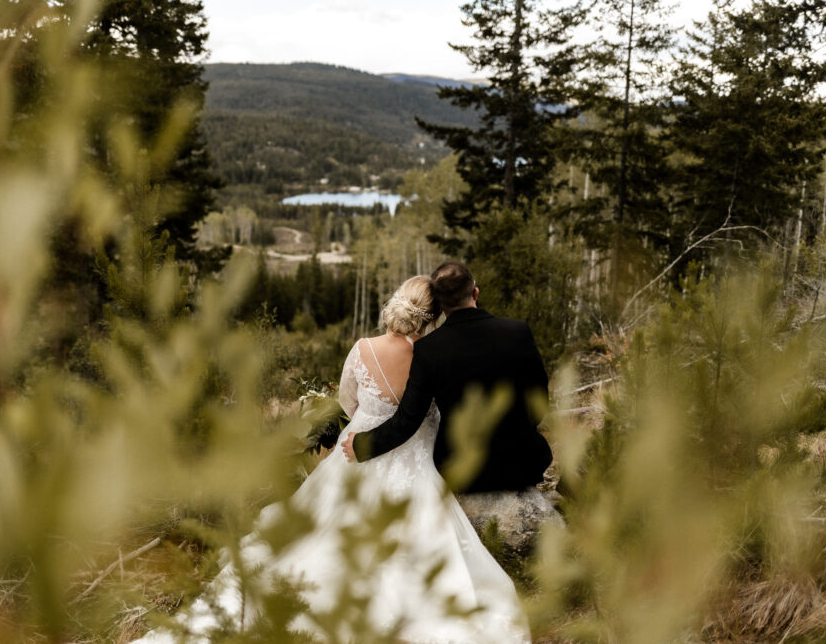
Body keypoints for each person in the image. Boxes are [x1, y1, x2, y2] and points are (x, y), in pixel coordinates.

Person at [132, 275, 530, 643]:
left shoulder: (363, 350)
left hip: (355, 453)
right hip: (417, 463)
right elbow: (438, 410)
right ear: (434, 315)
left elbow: (347, 401)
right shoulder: (434, 354)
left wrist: (368, 418)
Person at [341, 261, 553, 495]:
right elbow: (539, 401)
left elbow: (408, 420)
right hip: (523, 464)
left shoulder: (429, 349)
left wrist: (362, 445)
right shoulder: (518, 331)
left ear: (440, 308)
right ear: (475, 292)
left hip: (463, 473)